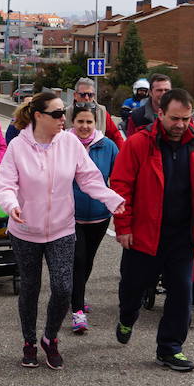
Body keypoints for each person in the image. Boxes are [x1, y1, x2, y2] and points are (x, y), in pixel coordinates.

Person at [0, 92, 124, 370]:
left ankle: (49, 338)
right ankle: (29, 342)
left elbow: (90, 178)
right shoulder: (18, 146)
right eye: (56, 115)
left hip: (62, 229)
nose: (62, 120)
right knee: (30, 288)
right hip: (25, 230)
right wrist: (11, 204)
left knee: (64, 288)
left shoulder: (70, 143)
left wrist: (112, 200)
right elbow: (5, 184)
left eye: (63, 114)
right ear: (38, 116)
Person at [110, 89, 194, 372]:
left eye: (186, 118)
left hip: (181, 236)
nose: (180, 125)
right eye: (174, 119)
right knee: (132, 288)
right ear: (160, 113)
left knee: (182, 292)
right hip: (144, 234)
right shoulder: (138, 144)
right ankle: (126, 317)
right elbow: (121, 186)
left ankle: (170, 348)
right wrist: (124, 226)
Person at [69, 105, 119, 334]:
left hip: (100, 216)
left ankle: (77, 295)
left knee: (88, 260)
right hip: (71, 216)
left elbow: (117, 178)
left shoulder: (108, 146)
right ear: (73, 122)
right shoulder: (63, 144)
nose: (85, 126)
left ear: (96, 123)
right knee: (78, 260)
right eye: (80, 121)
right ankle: (77, 310)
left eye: (89, 122)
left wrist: (117, 205)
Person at [64, 78, 124, 149]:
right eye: (83, 95)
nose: (86, 98)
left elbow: (115, 135)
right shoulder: (66, 113)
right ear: (75, 95)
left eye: (90, 95)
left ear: (94, 96)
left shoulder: (102, 112)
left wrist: (121, 154)